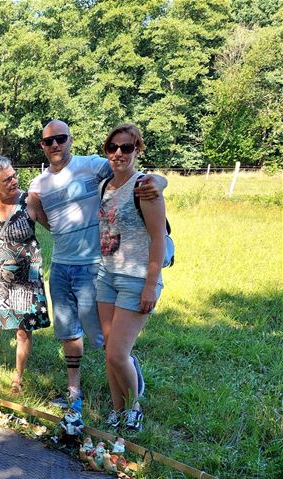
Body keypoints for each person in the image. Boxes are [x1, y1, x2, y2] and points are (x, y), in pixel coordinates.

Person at [27, 120, 165, 412]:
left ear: (70, 140)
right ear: (42, 146)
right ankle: (73, 390)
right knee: (68, 333)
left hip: (94, 267)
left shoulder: (93, 165)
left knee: (107, 340)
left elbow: (130, 174)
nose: (54, 145)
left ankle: (133, 390)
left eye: (60, 138)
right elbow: (40, 215)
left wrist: (159, 181)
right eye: (48, 141)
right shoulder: (38, 183)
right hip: (61, 267)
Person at [97, 124, 167, 433]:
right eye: (113, 147)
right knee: (107, 351)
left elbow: (158, 239)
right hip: (106, 276)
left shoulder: (146, 188)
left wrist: (151, 284)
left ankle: (133, 406)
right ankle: (117, 407)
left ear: (138, 149)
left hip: (136, 279)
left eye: (127, 147)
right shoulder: (105, 186)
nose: (119, 153)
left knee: (118, 352)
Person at [0, 156, 50, 391]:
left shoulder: (30, 200)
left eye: (14, 175)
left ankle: (18, 377)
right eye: (7, 179)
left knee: (22, 329)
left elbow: (54, 226)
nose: (14, 180)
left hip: (25, 278)